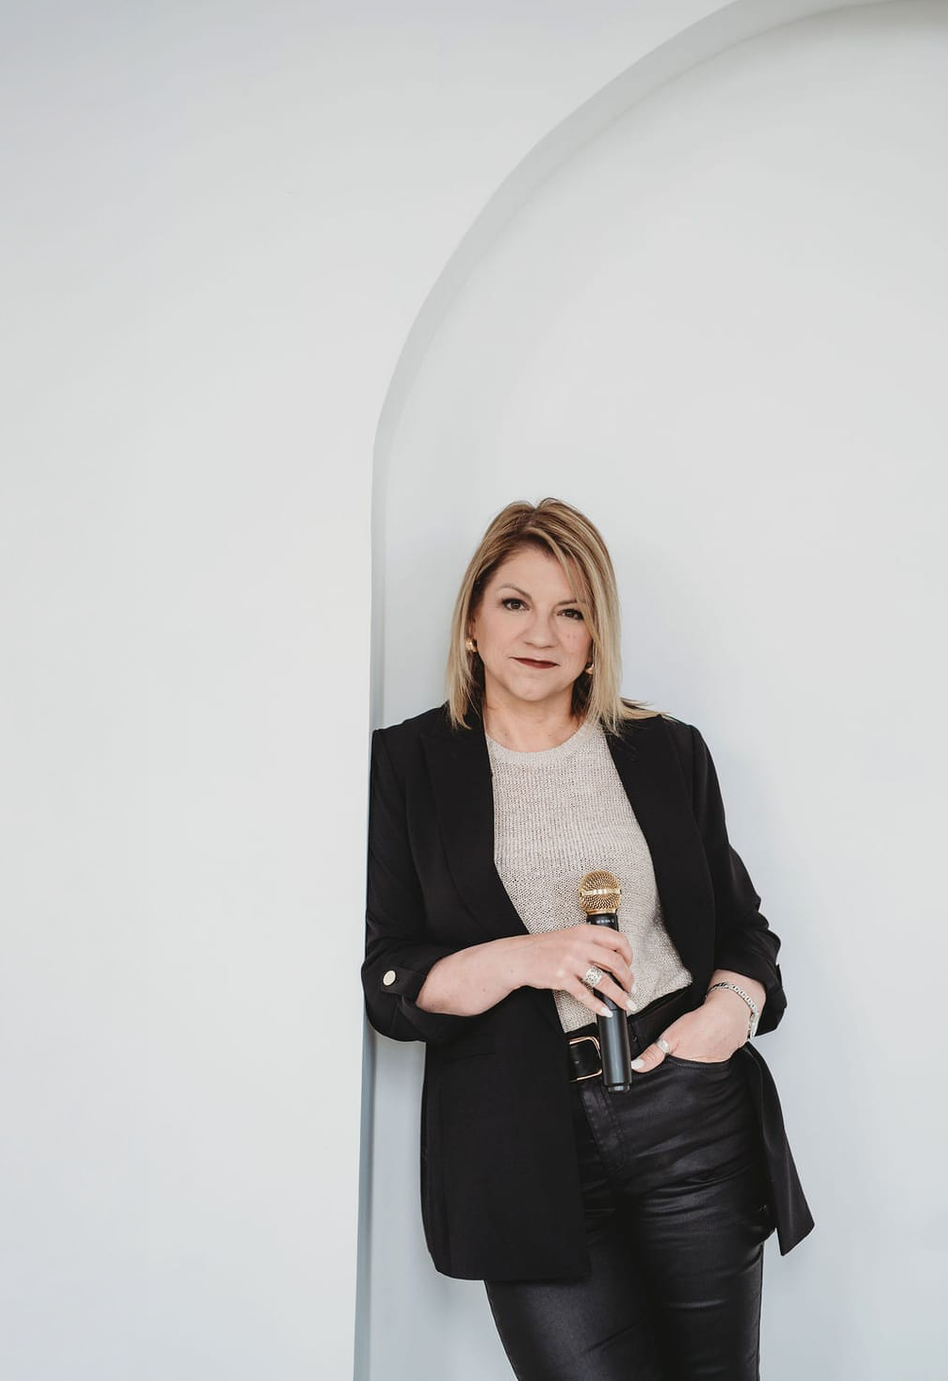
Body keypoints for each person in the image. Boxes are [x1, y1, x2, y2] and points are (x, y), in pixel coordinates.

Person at [361, 498, 812, 1380]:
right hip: (517, 1142)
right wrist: (523, 957)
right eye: (515, 603)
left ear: (596, 638)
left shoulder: (665, 751)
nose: (542, 633)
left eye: (570, 611)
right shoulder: (405, 767)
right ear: (471, 624)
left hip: (688, 1113)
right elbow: (391, 979)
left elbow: (743, 929)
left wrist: (730, 1012)